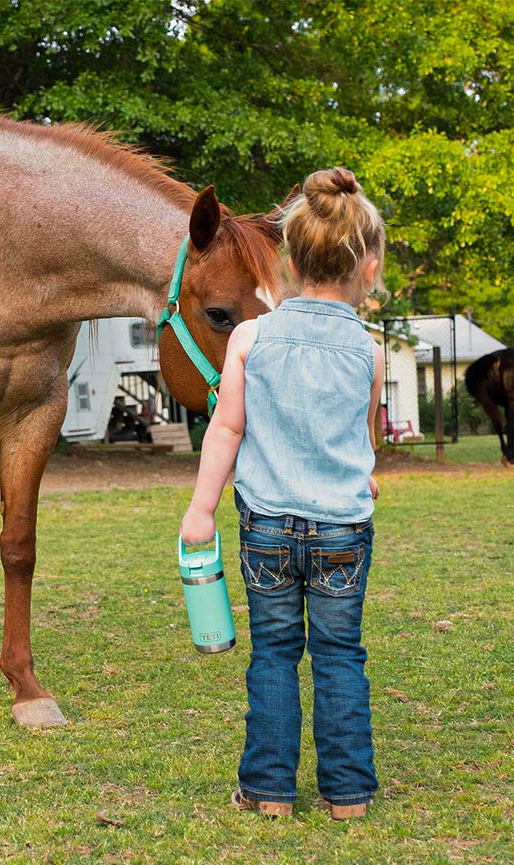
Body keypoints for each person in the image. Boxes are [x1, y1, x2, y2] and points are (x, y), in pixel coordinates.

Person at [180, 167, 386, 820]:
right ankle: (348, 794)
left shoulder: (249, 337)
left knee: (273, 654)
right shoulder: (368, 350)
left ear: (288, 259)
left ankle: (269, 790)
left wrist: (200, 508)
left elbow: (228, 429)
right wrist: (364, 471)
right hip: (343, 531)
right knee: (339, 656)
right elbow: (361, 431)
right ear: (370, 268)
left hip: (267, 526)